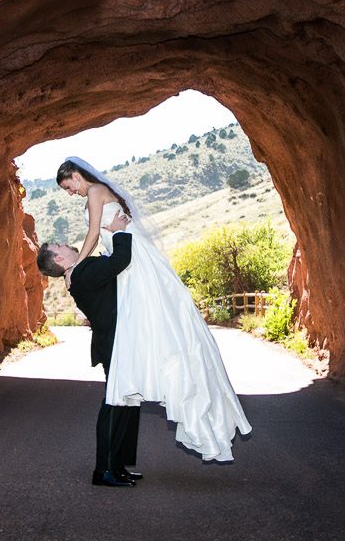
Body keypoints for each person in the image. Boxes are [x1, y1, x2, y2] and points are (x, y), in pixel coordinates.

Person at [56, 157, 252, 462]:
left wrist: (76, 266)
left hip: (134, 259)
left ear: (76, 175)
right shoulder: (95, 193)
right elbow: (101, 239)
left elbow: (94, 234)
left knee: (158, 319)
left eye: (69, 186)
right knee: (151, 324)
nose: (71, 193)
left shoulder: (95, 191)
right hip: (126, 255)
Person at [36, 209, 142, 487]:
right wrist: (119, 231)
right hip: (114, 344)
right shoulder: (80, 273)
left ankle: (117, 466)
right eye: (58, 246)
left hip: (119, 341)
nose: (64, 244)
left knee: (127, 403)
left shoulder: (79, 271)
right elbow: (121, 260)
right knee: (114, 404)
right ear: (59, 259)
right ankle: (104, 470)